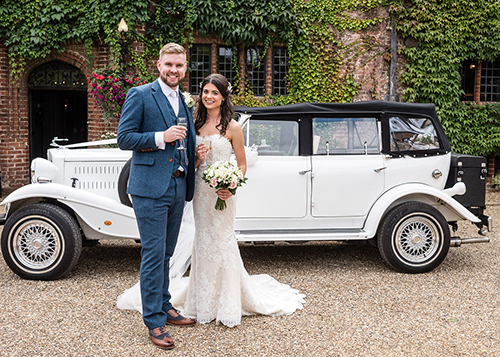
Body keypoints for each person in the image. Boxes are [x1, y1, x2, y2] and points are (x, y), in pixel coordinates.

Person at [118, 73, 305, 329]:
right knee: (202, 239)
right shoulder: (193, 123)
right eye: (205, 91)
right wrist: (195, 157)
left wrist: (231, 184)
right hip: (200, 192)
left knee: (222, 239)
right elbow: (186, 161)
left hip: (223, 194)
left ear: (223, 96)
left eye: (214, 92)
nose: (208, 96)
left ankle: (227, 302)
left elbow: (241, 164)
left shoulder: (233, 126)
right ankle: (202, 300)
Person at [117, 42, 196, 351]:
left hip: (178, 186)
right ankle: (154, 321)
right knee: (153, 255)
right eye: (169, 65)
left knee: (166, 255)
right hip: (150, 188)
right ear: (159, 66)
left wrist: (194, 156)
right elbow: (124, 138)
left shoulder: (184, 101)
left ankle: (164, 305)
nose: (173, 70)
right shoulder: (140, 94)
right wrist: (160, 138)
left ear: (185, 68)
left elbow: (185, 140)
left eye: (179, 65)